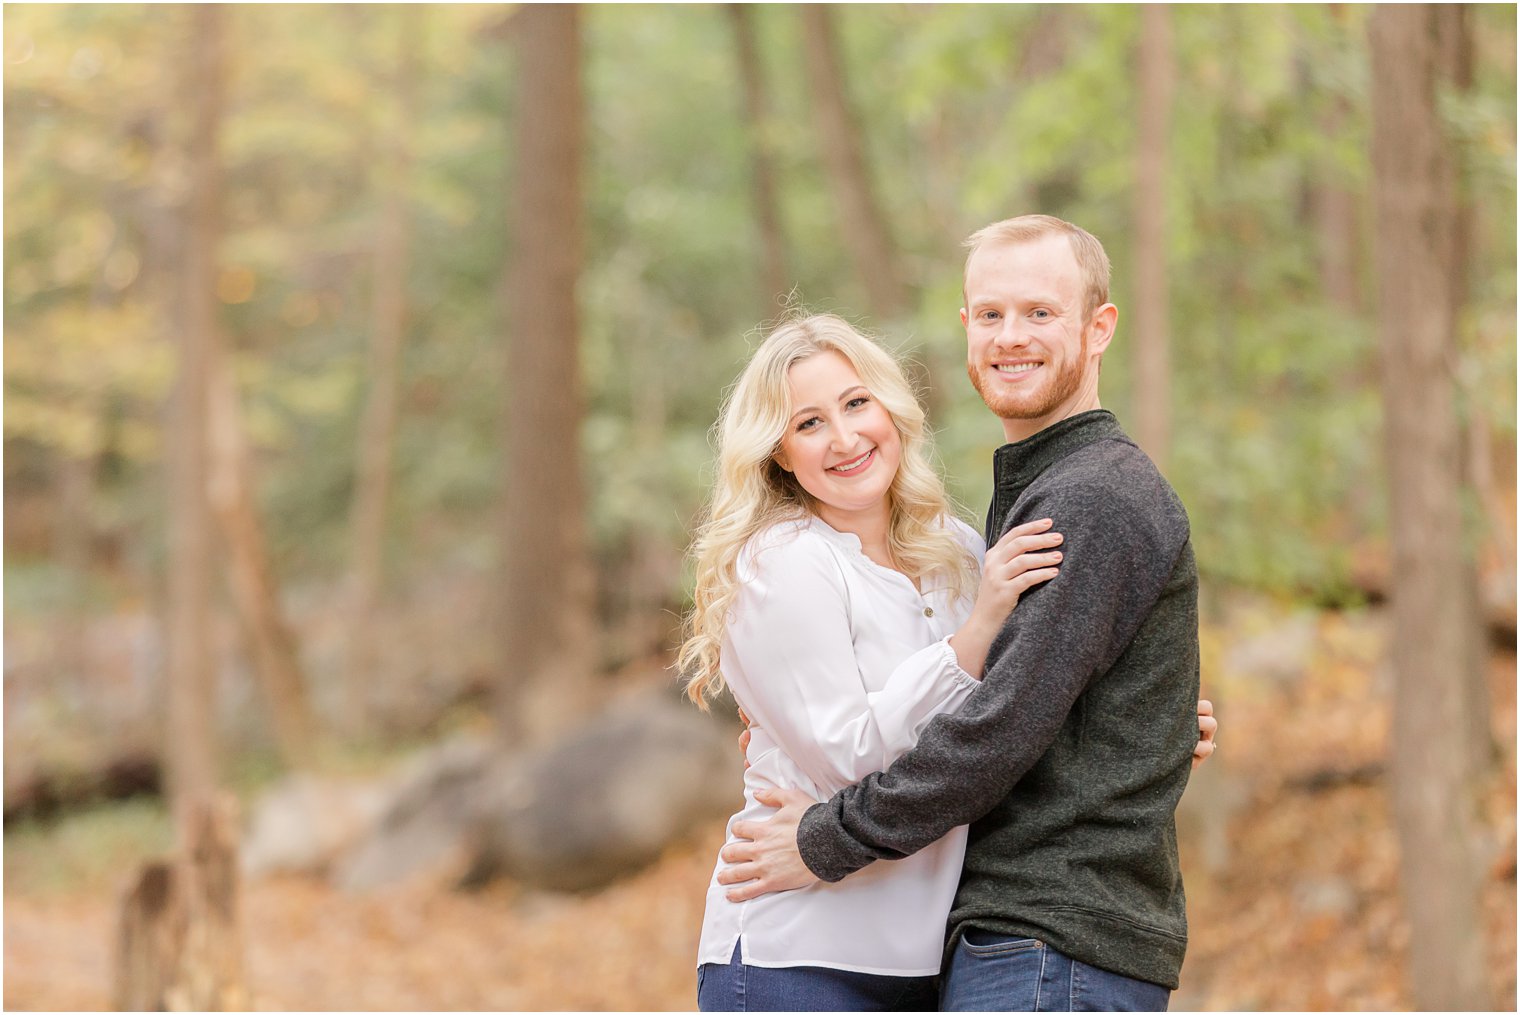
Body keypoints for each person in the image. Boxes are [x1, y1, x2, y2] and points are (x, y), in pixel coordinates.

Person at [715, 216, 1202, 1012]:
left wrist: (826, 839)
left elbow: (998, 724)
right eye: (990, 314)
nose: (1011, 337)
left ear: (1099, 326)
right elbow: (1018, 692)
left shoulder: (1084, 496)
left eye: (1040, 313)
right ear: (966, 328)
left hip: (1052, 934)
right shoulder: (1012, 511)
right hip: (968, 937)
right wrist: (1148, 715)